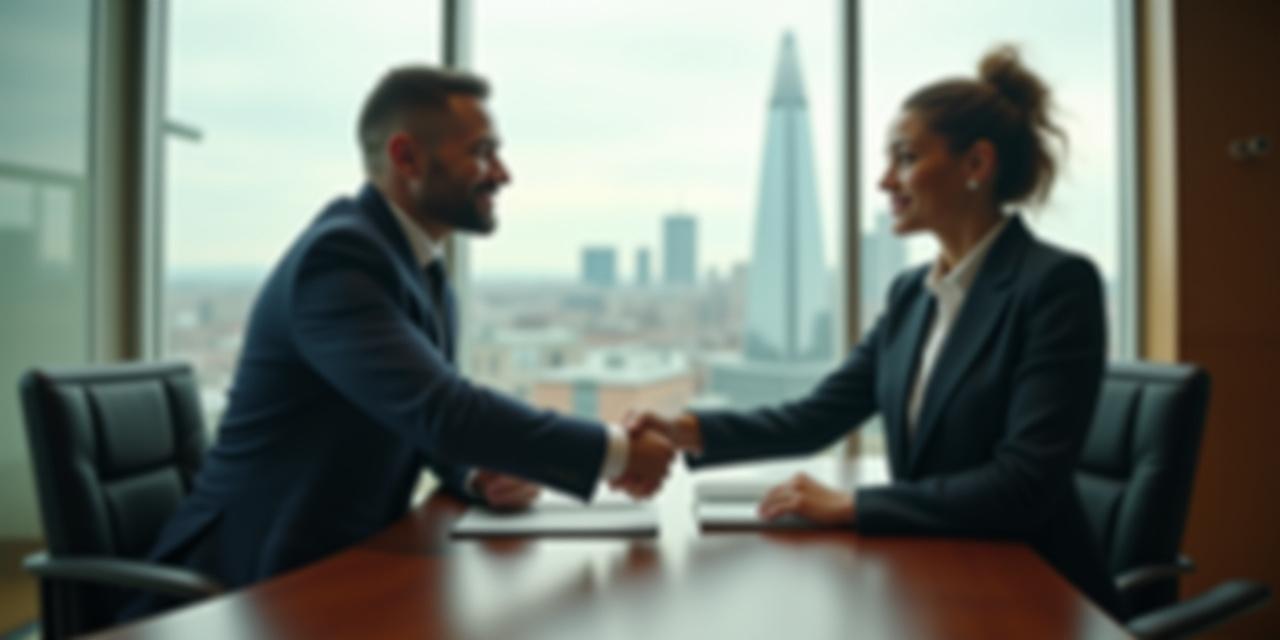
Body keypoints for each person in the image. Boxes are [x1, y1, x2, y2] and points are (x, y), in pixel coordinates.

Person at [122, 66, 674, 619]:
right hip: (246, 583)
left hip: (340, 564)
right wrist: (615, 452)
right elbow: (443, 411)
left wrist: (478, 472)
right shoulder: (339, 260)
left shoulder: (418, 270)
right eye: (482, 152)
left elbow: (417, 418)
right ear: (406, 158)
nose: (502, 174)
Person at [624, 46, 1124, 619]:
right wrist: (683, 429)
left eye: (906, 158)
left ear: (976, 165)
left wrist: (856, 505)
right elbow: (816, 417)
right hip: (934, 578)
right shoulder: (911, 294)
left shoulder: (1055, 286)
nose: (886, 180)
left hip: (1032, 590)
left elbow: (1024, 485)